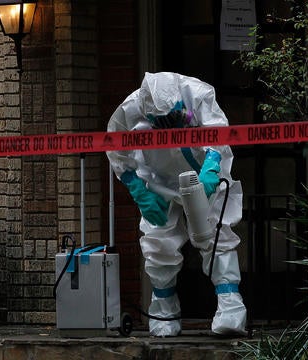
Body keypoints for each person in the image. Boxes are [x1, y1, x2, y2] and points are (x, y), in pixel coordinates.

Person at [106, 72, 247, 337]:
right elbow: (115, 147)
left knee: (216, 234)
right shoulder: (130, 108)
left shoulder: (197, 93)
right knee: (158, 241)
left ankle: (231, 307)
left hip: (205, 173)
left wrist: (212, 167)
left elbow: (218, 132)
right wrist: (137, 188)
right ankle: (164, 308)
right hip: (159, 179)